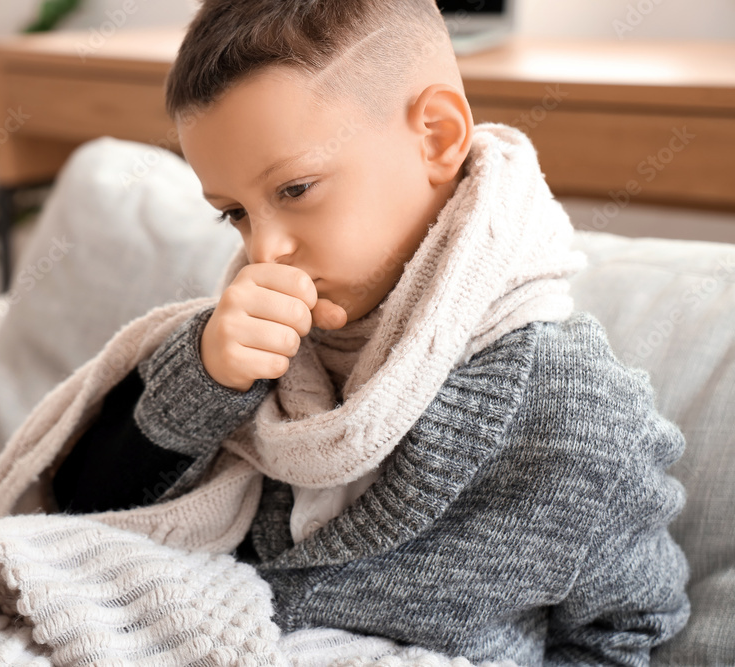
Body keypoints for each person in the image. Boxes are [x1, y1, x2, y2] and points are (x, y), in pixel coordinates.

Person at [49, 0, 690, 664]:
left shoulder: (574, 413)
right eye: (234, 213)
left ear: (437, 137)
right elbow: (82, 514)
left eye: (295, 189)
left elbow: (626, 635)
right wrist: (206, 378)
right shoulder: (237, 344)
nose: (265, 249)